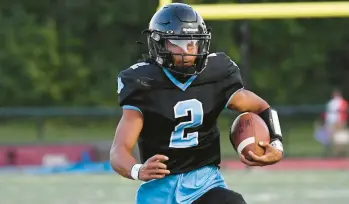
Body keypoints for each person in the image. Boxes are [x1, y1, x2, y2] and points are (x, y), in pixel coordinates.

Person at [110, 3, 284, 204]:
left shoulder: (216, 74)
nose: (188, 50)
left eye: (193, 42)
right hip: (160, 192)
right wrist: (137, 170)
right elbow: (119, 150)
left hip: (205, 185)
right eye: (178, 42)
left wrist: (276, 144)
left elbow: (262, 107)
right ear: (160, 44)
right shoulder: (144, 83)